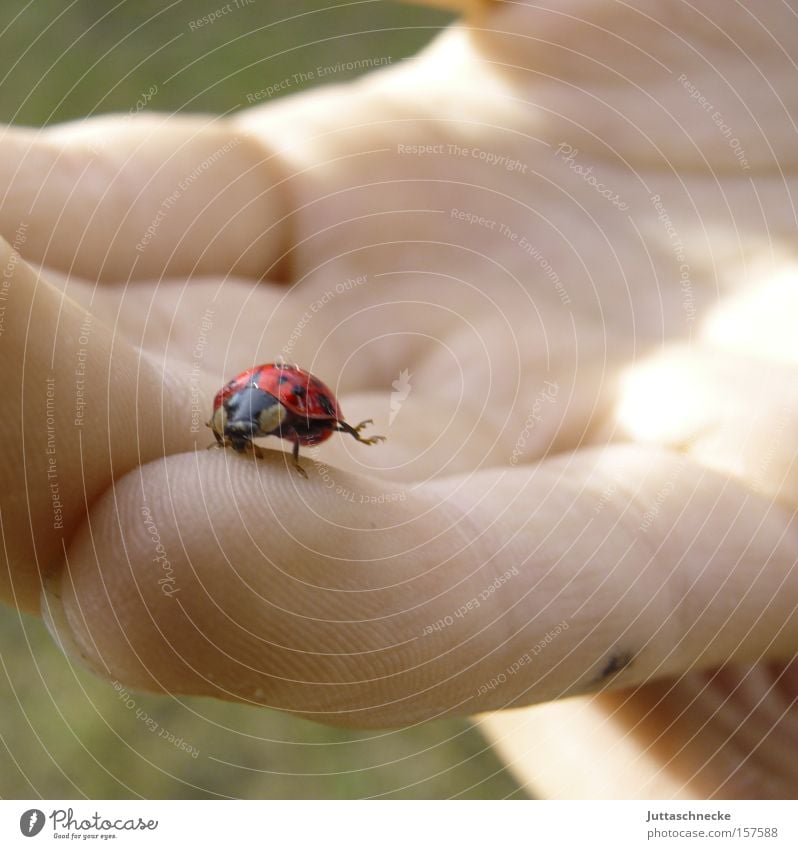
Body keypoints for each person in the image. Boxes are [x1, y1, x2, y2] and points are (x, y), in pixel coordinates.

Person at [1, 0, 796, 798]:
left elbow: (298, 414)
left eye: (245, 432)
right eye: (242, 431)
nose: (244, 438)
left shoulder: (282, 410)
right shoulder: (254, 405)